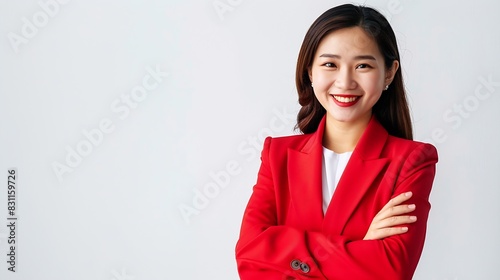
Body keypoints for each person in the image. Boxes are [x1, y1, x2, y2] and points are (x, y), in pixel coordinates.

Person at [235, 4, 438, 280]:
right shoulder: (277, 155)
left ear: (389, 73)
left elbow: (391, 271)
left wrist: (286, 256)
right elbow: (249, 255)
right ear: (310, 71)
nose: (345, 82)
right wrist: (360, 248)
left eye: (363, 65)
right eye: (330, 64)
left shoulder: (412, 162)